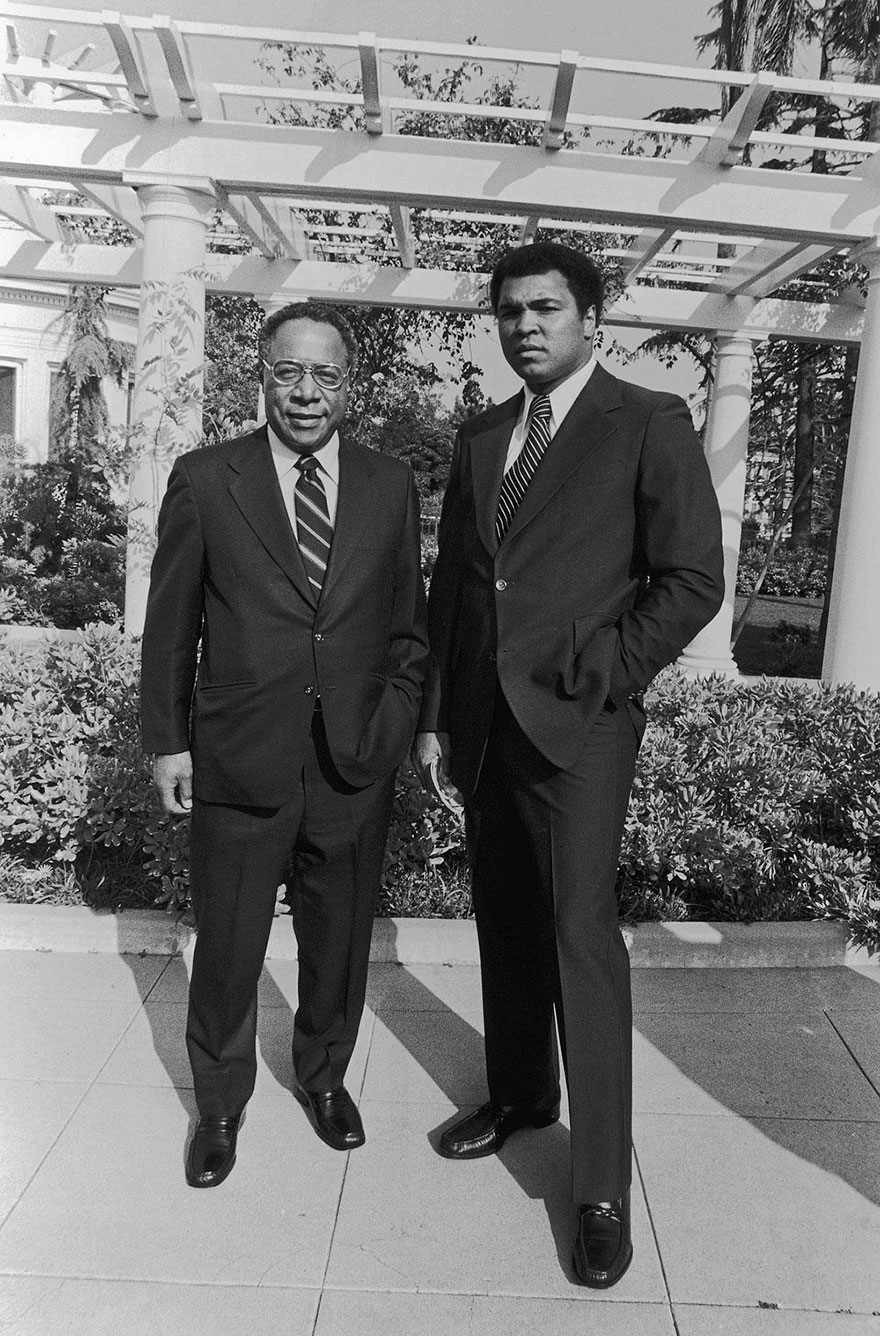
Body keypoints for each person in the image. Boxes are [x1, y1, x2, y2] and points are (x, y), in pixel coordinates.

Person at [413, 243, 724, 1288]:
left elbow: (690, 580)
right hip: (482, 726)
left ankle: (596, 1186)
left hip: (581, 727)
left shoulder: (648, 422)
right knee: (502, 918)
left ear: (592, 316)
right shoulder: (481, 436)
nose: (524, 326)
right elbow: (456, 588)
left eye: (545, 308)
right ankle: (517, 1097)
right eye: (507, 312)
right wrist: (433, 717)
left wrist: (606, 674)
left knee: (579, 939)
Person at [141, 302, 428, 1188]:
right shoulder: (205, 477)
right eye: (289, 372)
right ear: (262, 375)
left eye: (326, 375)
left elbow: (408, 631)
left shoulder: (391, 485)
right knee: (227, 942)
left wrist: (397, 724)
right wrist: (168, 742)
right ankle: (220, 1103)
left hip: (352, 758)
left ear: (351, 385)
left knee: (337, 939)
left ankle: (325, 1078)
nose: (307, 392)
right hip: (237, 752)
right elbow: (170, 627)